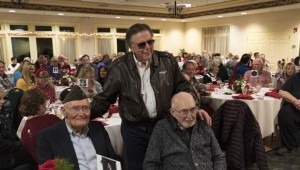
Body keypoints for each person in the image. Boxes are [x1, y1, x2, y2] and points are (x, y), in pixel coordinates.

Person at [90, 23, 211, 170]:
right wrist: (84, 114)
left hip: (164, 126)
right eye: (142, 45)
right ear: (131, 47)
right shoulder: (120, 67)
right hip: (134, 129)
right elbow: (105, 98)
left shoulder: (166, 61)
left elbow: (183, 87)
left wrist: (194, 108)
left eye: (150, 42)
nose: (148, 47)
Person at [37, 86, 117, 170]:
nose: (82, 113)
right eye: (75, 109)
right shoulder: (48, 137)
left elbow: (112, 159)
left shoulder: (98, 128)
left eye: (86, 108)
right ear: (63, 111)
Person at [143, 92, 226, 170]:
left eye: (192, 110)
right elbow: (150, 164)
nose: (190, 116)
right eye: (184, 112)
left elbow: (219, 157)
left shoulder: (202, 123)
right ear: (172, 112)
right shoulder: (162, 128)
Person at [20, 89, 60, 162]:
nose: (45, 106)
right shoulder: (51, 119)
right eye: (44, 103)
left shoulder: (24, 132)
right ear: (40, 106)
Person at [0, 90, 35, 169]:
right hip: (3, 159)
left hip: (5, 152)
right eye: (0, 99)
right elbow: (2, 145)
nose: (2, 102)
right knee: (32, 155)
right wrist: (19, 144)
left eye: (2, 99)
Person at [276, 71, 300, 156]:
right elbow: (282, 92)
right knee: (285, 113)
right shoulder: (295, 77)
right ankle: (287, 145)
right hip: (296, 105)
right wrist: (295, 101)